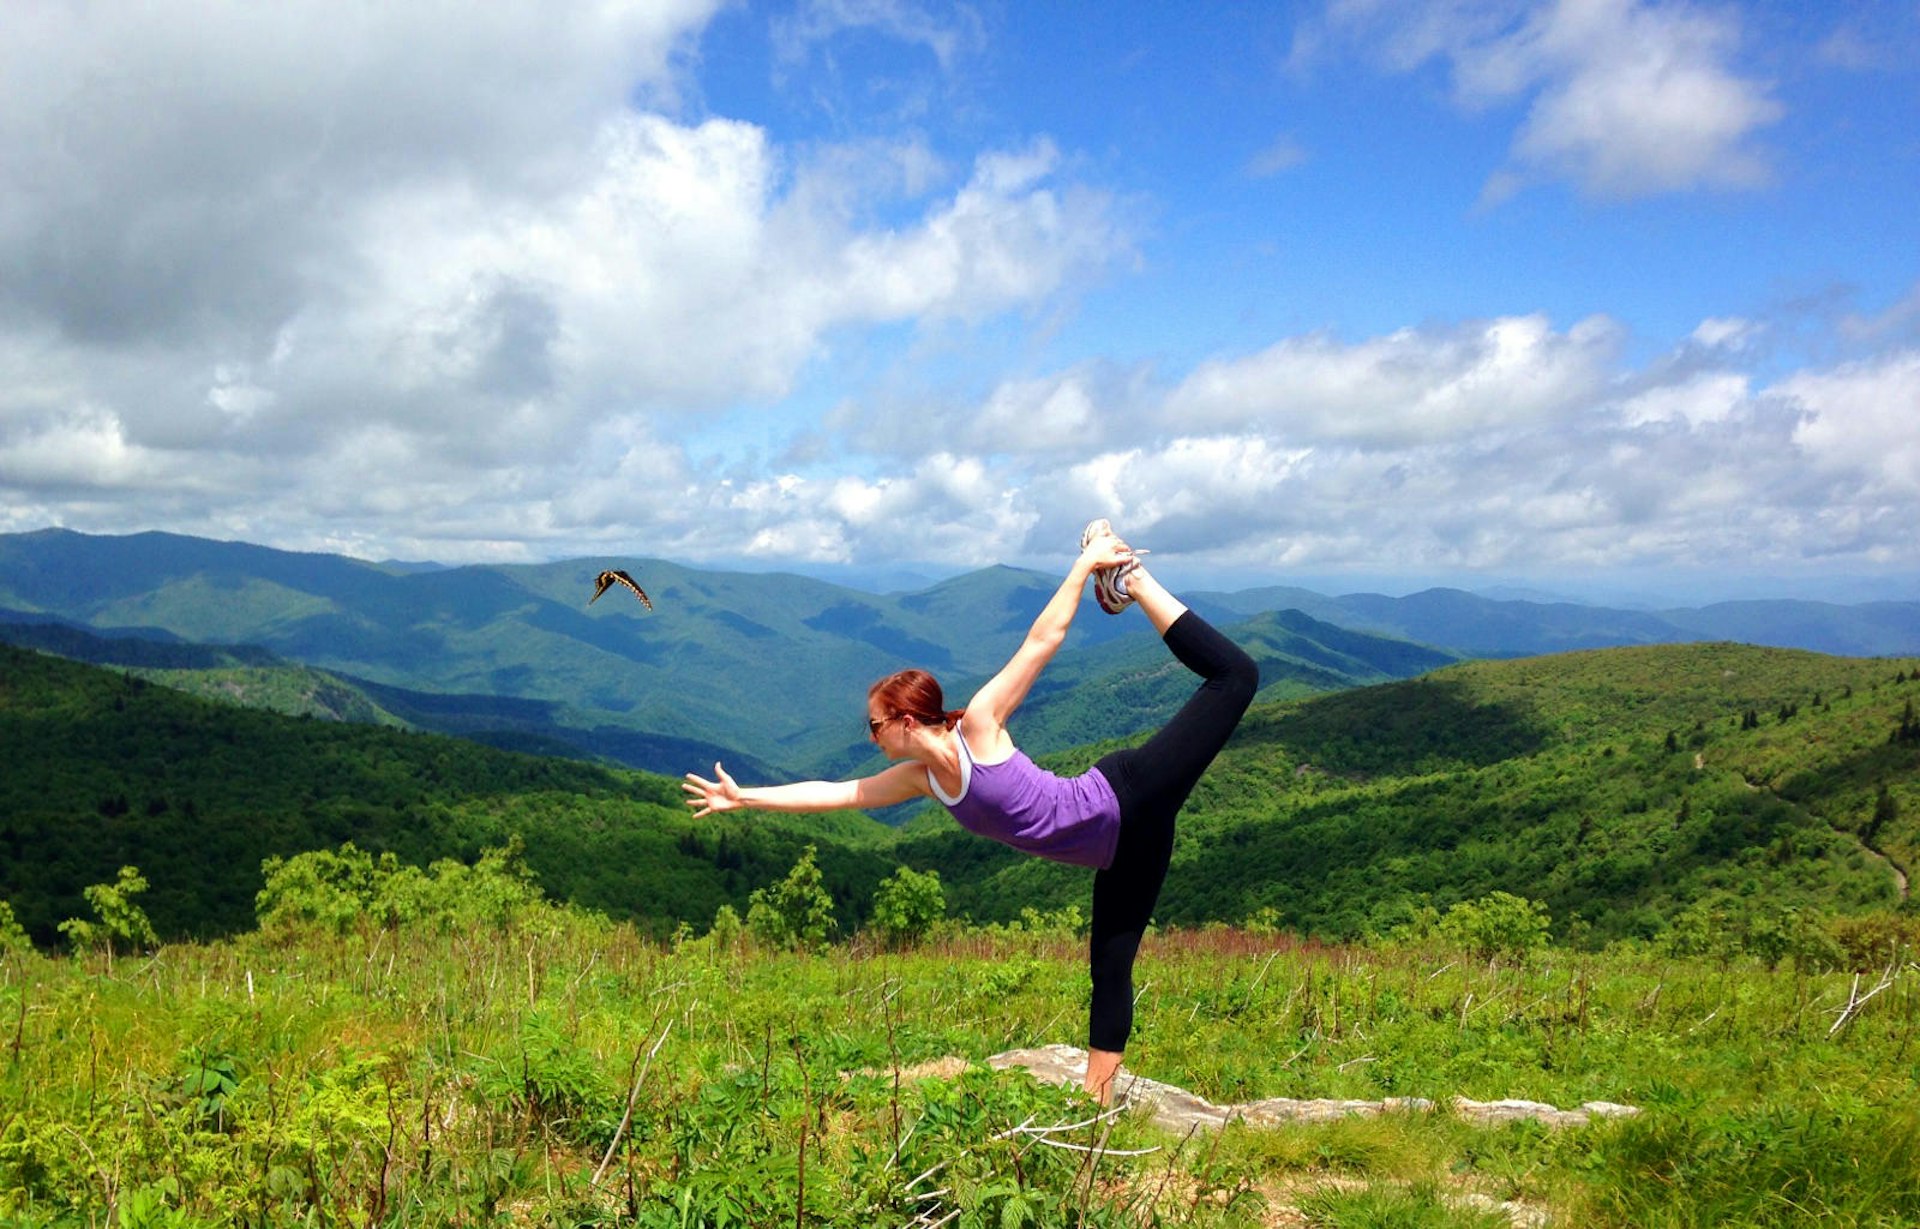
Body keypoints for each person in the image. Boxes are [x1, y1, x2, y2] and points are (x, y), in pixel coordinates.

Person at [682, 519, 1258, 1103]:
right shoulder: (922, 780)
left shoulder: (980, 727)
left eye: (875, 725)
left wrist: (1086, 568)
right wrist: (744, 797)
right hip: (1122, 851)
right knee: (1110, 967)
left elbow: (1041, 643)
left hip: (1129, 795)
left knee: (1236, 677)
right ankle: (1096, 1109)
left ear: (907, 722)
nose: (870, 735)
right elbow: (838, 792)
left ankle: (1130, 582)